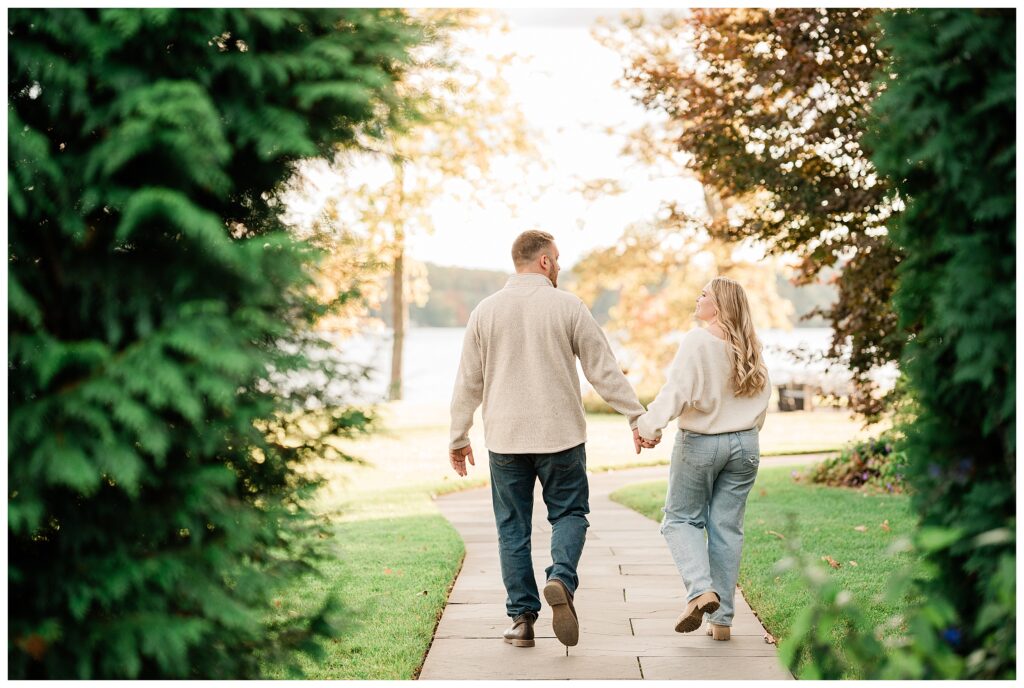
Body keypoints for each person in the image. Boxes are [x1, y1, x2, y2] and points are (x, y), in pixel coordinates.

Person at [448, 229, 656, 649]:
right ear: (544, 261)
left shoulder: (485, 312)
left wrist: (458, 435)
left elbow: (468, 381)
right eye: (556, 259)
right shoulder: (568, 306)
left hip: (506, 440)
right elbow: (603, 370)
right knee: (570, 514)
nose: (559, 266)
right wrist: (636, 415)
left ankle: (522, 621)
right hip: (561, 436)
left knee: (512, 529)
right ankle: (561, 576)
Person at [636, 276, 771, 642]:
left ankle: (700, 591)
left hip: (701, 443)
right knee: (727, 529)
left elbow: (676, 391)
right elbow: (763, 397)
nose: (697, 299)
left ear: (720, 306)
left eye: (704, 295)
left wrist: (648, 426)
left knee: (680, 520)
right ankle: (722, 621)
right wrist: (747, 430)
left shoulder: (697, 341)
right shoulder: (752, 344)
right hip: (745, 446)